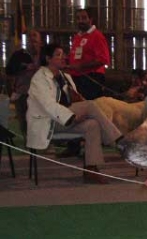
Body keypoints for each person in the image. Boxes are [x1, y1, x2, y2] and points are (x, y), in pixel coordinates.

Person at [27, 43, 122, 184]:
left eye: (63, 54)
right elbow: (48, 105)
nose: (63, 57)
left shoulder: (66, 77)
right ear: (48, 59)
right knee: (90, 105)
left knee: (92, 124)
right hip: (48, 122)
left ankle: (91, 169)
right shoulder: (39, 78)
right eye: (58, 55)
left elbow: (75, 100)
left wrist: (76, 112)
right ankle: (118, 140)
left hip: (66, 119)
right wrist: (72, 117)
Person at [66, 8, 110, 100]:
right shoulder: (77, 37)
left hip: (91, 79)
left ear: (90, 19)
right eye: (78, 18)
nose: (80, 21)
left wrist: (81, 66)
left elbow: (103, 59)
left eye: (84, 18)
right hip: (76, 78)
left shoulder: (97, 36)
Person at [5, 29, 43, 134]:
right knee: (25, 122)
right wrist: (24, 67)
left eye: (35, 36)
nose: (32, 38)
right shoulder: (18, 55)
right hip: (23, 94)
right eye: (30, 36)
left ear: (40, 41)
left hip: (42, 94)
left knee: (42, 120)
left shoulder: (45, 55)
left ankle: (47, 145)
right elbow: (9, 70)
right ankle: (29, 146)